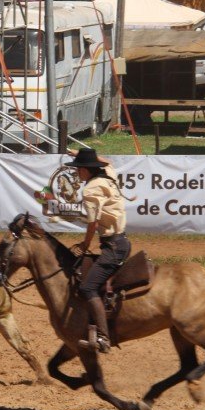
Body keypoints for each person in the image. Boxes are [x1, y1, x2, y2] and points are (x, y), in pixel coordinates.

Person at [65, 148, 130, 354]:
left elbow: (92, 223)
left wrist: (85, 244)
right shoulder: (108, 177)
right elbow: (108, 161)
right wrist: (81, 154)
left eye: (78, 169)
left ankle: (103, 336)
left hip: (113, 247)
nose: (76, 174)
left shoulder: (91, 190)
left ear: (85, 170)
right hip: (121, 242)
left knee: (87, 288)